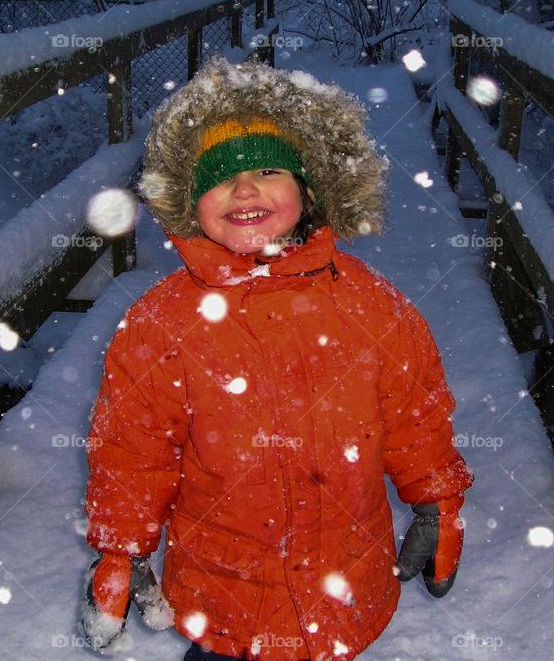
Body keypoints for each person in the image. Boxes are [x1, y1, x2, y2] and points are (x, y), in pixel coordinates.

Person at [79, 57, 473, 661]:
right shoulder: (163, 323)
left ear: (310, 190)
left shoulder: (371, 307)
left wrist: (438, 499)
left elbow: (416, 413)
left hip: (342, 580)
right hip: (223, 588)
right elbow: (132, 446)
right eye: (218, 177)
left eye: (267, 169)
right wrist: (120, 546)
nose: (243, 190)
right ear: (190, 202)